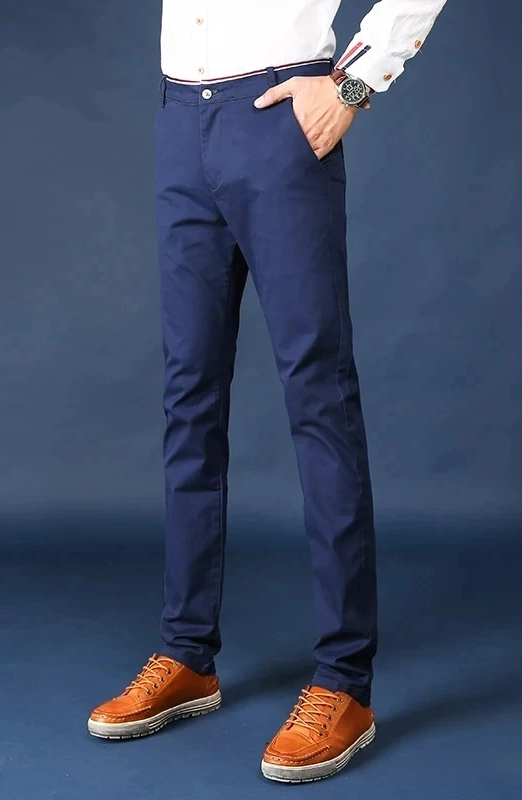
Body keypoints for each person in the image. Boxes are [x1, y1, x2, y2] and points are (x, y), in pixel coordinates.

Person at [88, 0, 448, 783]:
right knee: (189, 393)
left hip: (278, 112)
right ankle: (188, 653)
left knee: (318, 393)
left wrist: (354, 85)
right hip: (181, 119)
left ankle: (345, 683)